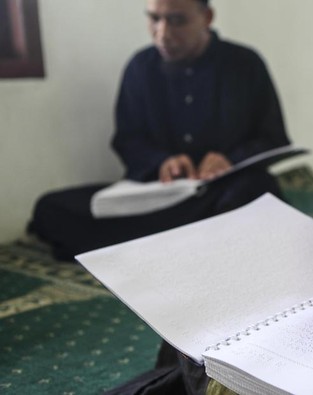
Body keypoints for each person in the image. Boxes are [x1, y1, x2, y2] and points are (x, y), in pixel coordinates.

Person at [28, 0, 290, 262]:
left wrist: (231, 161)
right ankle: (194, 243)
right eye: (154, 19)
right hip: (159, 197)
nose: (163, 33)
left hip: (221, 195)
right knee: (51, 207)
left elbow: (273, 139)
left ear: (207, 18)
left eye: (177, 21)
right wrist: (162, 162)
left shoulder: (245, 64)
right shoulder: (140, 67)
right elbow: (127, 140)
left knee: (256, 190)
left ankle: (159, 245)